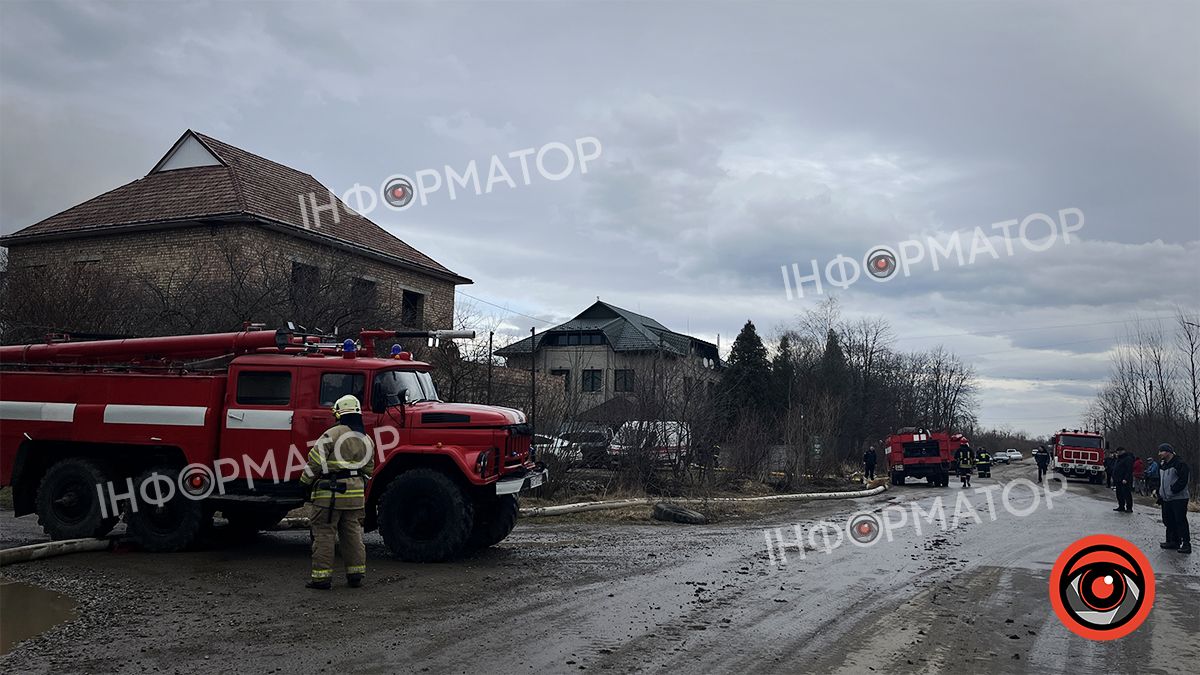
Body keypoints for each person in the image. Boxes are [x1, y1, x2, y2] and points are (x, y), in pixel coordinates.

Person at [301, 394, 376, 589]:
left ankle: (321, 578)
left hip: (330, 495)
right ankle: (356, 575)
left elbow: (315, 461)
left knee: (324, 533)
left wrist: (304, 482)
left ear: (339, 413)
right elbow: (369, 470)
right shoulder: (366, 438)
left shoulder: (332, 434)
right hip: (356, 496)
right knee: (352, 535)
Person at [1155, 443, 1191, 554]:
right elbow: (1160, 480)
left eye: (1161, 451)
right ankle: (1173, 541)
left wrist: (1173, 489)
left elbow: (1183, 480)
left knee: (1180, 520)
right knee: (1168, 520)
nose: (1159, 454)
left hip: (1178, 498)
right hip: (1166, 498)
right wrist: (1159, 492)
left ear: (1168, 452)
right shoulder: (1163, 465)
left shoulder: (1180, 464)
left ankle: (1186, 544)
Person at [1112, 446, 1134, 513]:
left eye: (1118, 451)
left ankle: (1129, 507)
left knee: (1126, 494)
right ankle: (1121, 506)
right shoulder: (1119, 459)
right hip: (1118, 479)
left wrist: (1126, 478)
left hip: (1124, 480)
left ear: (1122, 451)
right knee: (1119, 494)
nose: (1117, 453)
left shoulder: (1128, 459)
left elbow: (1129, 470)